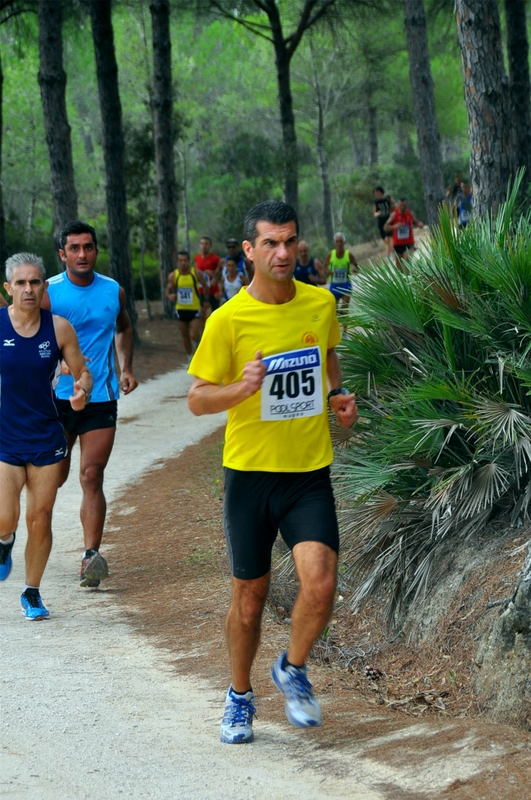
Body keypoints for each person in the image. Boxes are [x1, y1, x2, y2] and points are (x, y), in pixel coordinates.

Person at [188, 200, 357, 744]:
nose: (282, 252)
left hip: (308, 472)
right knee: (251, 598)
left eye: (288, 242)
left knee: (322, 583)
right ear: (249, 250)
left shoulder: (320, 303)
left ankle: (293, 667)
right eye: (270, 243)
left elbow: (329, 354)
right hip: (250, 477)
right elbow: (196, 399)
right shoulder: (227, 319)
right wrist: (241, 388)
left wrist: (336, 395)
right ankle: (239, 697)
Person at [41, 220, 138, 588]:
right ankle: (19, 533)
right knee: (55, 476)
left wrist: (125, 366)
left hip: (100, 397)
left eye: (89, 247)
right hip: (55, 398)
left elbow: (124, 327)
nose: (83, 254)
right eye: (75, 248)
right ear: (63, 254)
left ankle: (90, 557)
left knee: (91, 475)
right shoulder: (48, 291)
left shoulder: (113, 291)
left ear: (96, 250)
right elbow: (28, 333)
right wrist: (56, 363)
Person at [0, 253, 93, 619]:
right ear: (8, 288)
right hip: (5, 436)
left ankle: (31, 592)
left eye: (35, 282)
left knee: (40, 518)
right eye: (20, 283)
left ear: (44, 287)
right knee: (5, 518)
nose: (28, 289)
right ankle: (4, 542)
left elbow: (84, 372)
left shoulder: (58, 328)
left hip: (46, 436)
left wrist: (82, 390)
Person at [166, 250, 209, 362]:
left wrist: (205, 301)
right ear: (177, 262)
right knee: (184, 335)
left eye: (185, 260)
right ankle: (191, 357)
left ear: (189, 261)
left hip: (194, 308)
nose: (183, 263)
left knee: (194, 335)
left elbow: (205, 286)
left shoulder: (196, 273)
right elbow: (168, 290)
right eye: (180, 260)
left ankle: (198, 348)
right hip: (180, 309)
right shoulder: (173, 275)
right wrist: (170, 295)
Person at [322, 232, 359, 316]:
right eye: (337, 241)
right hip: (334, 285)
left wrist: (352, 271)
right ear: (335, 243)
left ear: (344, 242)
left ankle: (345, 329)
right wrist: (329, 271)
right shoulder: (331, 254)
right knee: (334, 311)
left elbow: (357, 267)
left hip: (346, 285)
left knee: (345, 310)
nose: (339, 244)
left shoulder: (348, 254)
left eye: (341, 241)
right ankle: (338, 327)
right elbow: (324, 267)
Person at [384, 198, 424, 271]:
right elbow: (386, 227)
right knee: (399, 269)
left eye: (404, 205)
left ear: (406, 205)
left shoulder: (410, 213)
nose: (403, 207)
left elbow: (416, 222)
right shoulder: (394, 215)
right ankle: (404, 281)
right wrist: (395, 226)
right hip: (397, 244)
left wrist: (419, 224)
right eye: (401, 205)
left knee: (407, 265)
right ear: (398, 206)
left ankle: (410, 280)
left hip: (409, 244)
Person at [195, 236, 221, 314]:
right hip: (201, 290)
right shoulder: (197, 258)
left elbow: (220, 273)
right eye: (202, 243)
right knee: (202, 312)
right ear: (199, 245)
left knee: (215, 313)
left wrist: (213, 275)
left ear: (210, 246)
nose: (204, 246)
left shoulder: (215, 258)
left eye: (206, 244)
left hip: (213, 290)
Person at [373, 186, 394, 257]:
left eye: (377, 192)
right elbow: (374, 213)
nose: (376, 194)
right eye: (375, 193)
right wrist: (378, 213)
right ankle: (392, 250)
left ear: (381, 192)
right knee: (385, 240)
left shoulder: (388, 198)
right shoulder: (376, 202)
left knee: (388, 239)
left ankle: (389, 257)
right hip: (381, 222)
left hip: (388, 221)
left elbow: (394, 205)